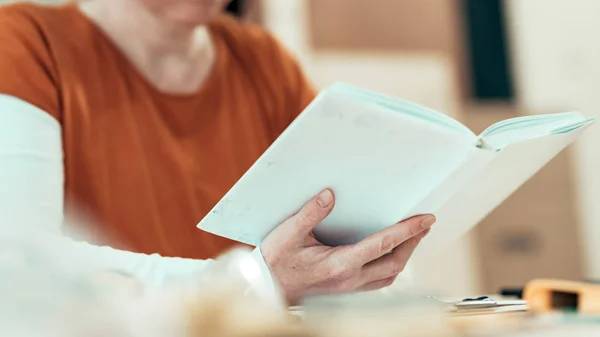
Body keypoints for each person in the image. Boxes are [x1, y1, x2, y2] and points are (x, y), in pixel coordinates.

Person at [0, 0, 435, 303]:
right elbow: (22, 262)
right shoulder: (23, 41)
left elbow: (345, 231)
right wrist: (258, 284)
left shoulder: (266, 63)